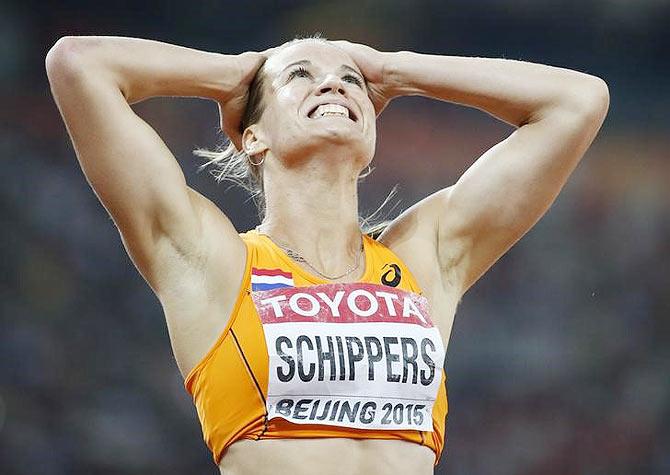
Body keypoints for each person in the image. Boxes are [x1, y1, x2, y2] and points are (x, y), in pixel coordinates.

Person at [45, 35, 609, 474]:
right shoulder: (210, 260)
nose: (335, 86)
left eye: (350, 81)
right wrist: (239, 73)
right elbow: (79, 66)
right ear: (253, 136)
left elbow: (578, 102)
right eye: (302, 78)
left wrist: (393, 71)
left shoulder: (424, 257)